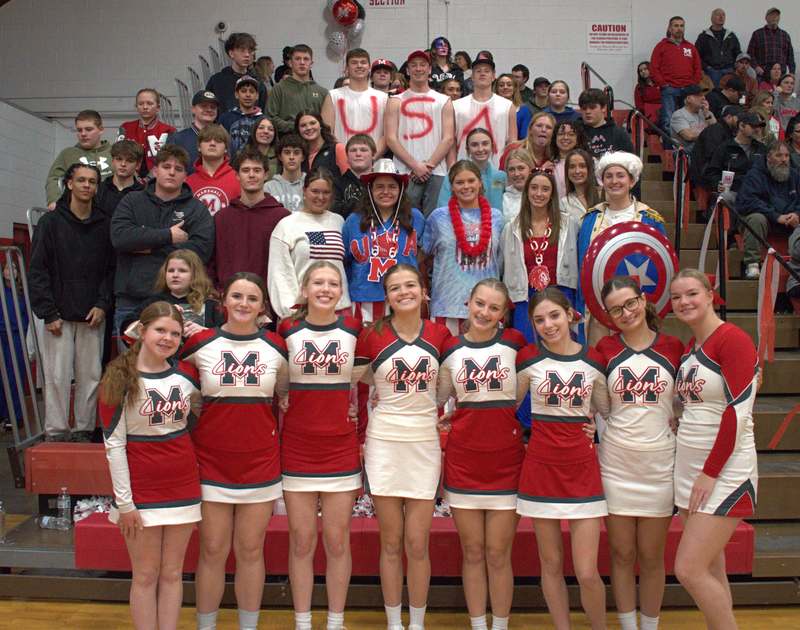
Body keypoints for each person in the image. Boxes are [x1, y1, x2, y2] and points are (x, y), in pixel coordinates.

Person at [181, 272, 288, 630]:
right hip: (212, 461)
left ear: (263, 308)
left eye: (252, 298)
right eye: (237, 296)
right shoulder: (199, 343)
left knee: (250, 550)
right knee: (212, 550)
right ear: (223, 301)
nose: (244, 304)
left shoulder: (276, 346)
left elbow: (286, 393)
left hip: (260, 460)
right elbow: (152, 352)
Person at [352, 263, 451, 630]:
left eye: (411, 285)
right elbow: (353, 381)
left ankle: (418, 623)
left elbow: (448, 386)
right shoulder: (371, 336)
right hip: (384, 444)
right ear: (387, 296)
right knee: (391, 541)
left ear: (424, 291)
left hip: (423, 443)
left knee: (417, 542)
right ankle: (395, 623)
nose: (404, 292)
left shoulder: (441, 336)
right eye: (395, 288)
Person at [99, 301, 202, 630]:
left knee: (173, 573)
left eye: (174, 333)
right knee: (145, 575)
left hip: (183, 486)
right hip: (141, 492)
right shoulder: (119, 378)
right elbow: (114, 446)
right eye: (160, 330)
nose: (167, 338)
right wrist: (125, 502)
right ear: (141, 332)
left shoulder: (187, 376)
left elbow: (195, 421)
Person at [515, 287, 610, 630]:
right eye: (539, 319)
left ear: (571, 315)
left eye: (554, 315)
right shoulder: (527, 359)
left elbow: (607, 410)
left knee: (586, 571)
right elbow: (503, 405)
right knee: (551, 565)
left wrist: (593, 431)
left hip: (582, 471)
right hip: (540, 468)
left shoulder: (594, 360)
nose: (548, 324)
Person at [670, 268, 758, 629]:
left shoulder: (732, 339)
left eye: (691, 293)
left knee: (688, 569)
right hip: (693, 469)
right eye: (676, 297)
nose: (684, 302)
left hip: (724, 471)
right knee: (709, 568)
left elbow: (737, 412)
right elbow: (695, 405)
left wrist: (710, 472)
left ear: (710, 295)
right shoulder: (693, 348)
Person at [596, 277, 685, 630]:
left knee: (650, 557)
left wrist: (680, 418)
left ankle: (649, 626)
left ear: (644, 300)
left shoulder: (674, 346)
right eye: (616, 309)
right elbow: (592, 398)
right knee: (622, 554)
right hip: (617, 463)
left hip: (659, 464)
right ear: (608, 315)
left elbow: (688, 398)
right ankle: (628, 624)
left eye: (630, 303)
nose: (626, 312)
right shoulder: (604, 350)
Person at [437, 279, 526, 630]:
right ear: (467, 302)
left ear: (504, 314)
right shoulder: (450, 349)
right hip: (464, 460)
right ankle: (477, 624)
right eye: (479, 303)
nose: (484, 312)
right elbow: (439, 396)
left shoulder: (517, 345)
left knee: (497, 553)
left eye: (493, 308)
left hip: (506, 460)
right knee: (473, 552)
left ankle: (500, 625)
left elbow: (541, 381)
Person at [277, 262, 362, 630]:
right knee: (301, 541)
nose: (325, 289)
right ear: (305, 288)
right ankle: (302, 620)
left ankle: (336, 620)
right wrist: (282, 395)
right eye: (318, 282)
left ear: (341, 290)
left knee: (337, 541)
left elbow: (368, 374)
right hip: (297, 446)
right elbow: (276, 378)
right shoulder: (287, 329)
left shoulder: (354, 329)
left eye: (333, 283)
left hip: (340, 446)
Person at [30, 163, 113, 442]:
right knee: (56, 378)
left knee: (90, 377)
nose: (87, 185)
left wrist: (102, 304)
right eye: (81, 180)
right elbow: (38, 269)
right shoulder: (50, 223)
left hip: (93, 315)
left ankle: (84, 429)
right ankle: (55, 431)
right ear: (69, 184)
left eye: (92, 181)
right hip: (58, 316)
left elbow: (110, 270)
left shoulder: (104, 222)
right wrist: (48, 312)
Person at [111, 145, 214, 341]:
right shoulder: (132, 201)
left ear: (186, 175)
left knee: (176, 365)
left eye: (179, 169)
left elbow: (200, 252)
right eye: (166, 166)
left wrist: (144, 243)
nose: (172, 172)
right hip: (132, 299)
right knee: (130, 367)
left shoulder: (197, 210)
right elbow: (120, 238)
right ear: (155, 170)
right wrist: (167, 236)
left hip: (179, 302)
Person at [577, 152, 666, 344]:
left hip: (636, 309)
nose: (614, 181)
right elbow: (582, 265)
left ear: (632, 181)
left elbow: (660, 267)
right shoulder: (590, 218)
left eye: (620, 175)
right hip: (598, 310)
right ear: (602, 181)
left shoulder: (650, 218)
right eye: (609, 176)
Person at [502, 167, 579, 348]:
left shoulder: (569, 224)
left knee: (563, 348)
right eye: (534, 188)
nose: (539, 193)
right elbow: (504, 268)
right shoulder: (511, 227)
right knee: (528, 350)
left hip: (561, 295)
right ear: (526, 191)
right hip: (524, 298)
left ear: (552, 194)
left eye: (545, 189)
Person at [424, 160, 504, 335]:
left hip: (487, 308)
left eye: (471, 181)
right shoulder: (438, 218)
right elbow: (423, 258)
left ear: (480, 182)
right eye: (459, 182)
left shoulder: (497, 218)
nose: (466, 186)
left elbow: (500, 261)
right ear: (451, 186)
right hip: (446, 306)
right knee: (448, 360)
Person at [342, 159, 425, 324]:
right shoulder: (353, 221)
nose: (386, 192)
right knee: (366, 347)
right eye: (379, 186)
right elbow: (345, 262)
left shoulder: (415, 218)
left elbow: (422, 256)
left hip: (405, 297)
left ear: (401, 190)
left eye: (392, 186)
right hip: (363, 300)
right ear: (370, 190)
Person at [268, 169, 350, 320]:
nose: (320, 197)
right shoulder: (287, 224)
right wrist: (290, 312)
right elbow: (279, 274)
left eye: (326, 192)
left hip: (339, 310)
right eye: (315, 191)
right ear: (304, 191)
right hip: (301, 313)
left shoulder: (339, 221)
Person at [385, 49, 455, 217]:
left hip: (437, 171)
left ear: (430, 69)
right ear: (408, 71)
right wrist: (416, 166)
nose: (418, 69)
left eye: (423, 65)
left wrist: (428, 166)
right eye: (414, 66)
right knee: (406, 220)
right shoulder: (395, 101)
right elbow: (391, 139)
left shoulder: (444, 100)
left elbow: (448, 138)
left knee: (436, 221)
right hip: (405, 171)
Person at [211, 147, 290, 293]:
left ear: (266, 175)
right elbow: (212, 263)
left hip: (268, 303)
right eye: (246, 170)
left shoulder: (282, 217)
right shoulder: (221, 218)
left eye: (257, 170)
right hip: (227, 302)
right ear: (237, 175)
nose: (251, 175)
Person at [125, 249, 224, 338]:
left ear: (195, 275)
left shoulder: (210, 304)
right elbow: (127, 329)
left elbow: (228, 336)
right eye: (171, 271)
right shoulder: (154, 302)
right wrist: (159, 316)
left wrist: (206, 333)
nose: (175, 275)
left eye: (182, 271)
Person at [737, 142, 800, 279]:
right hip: (765, 220)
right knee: (756, 218)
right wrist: (776, 216)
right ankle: (752, 264)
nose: (784, 159)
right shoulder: (754, 175)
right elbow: (748, 202)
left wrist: (796, 214)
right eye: (779, 155)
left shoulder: (795, 176)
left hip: (790, 221)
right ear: (768, 158)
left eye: (787, 156)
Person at [322, 49, 388, 156]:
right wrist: (343, 156)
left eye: (363, 62)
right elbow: (327, 133)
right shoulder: (333, 96)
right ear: (346, 68)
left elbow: (387, 135)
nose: (359, 66)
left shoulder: (383, 98)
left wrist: (373, 157)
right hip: (341, 161)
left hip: (374, 161)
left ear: (369, 67)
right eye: (354, 62)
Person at [452, 56, 516, 168]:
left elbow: (512, 143)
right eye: (478, 71)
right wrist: (452, 168)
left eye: (487, 71)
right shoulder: (456, 106)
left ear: (493, 76)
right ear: (472, 76)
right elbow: (451, 142)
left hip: (497, 169)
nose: (482, 74)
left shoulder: (507, 106)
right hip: (463, 169)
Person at [46, 110, 112, 208]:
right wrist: (53, 200)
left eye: (88, 129)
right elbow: (53, 178)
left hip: (109, 208)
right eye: (79, 130)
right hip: (76, 210)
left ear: (101, 129)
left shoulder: (114, 153)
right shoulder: (68, 154)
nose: (83, 134)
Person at [650, 16, 702, 139]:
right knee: (668, 121)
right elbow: (654, 68)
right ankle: (671, 152)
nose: (679, 28)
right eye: (676, 25)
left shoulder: (690, 47)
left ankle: (687, 149)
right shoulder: (661, 46)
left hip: (688, 90)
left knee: (691, 120)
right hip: (669, 89)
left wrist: (693, 86)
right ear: (669, 28)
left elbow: (698, 68)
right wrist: (663, 84)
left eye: (681, 26)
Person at [703, 111, 767, 208]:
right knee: (724, 197)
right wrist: (718, 183)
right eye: (754, 126)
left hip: (757, 194)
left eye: (760, 126)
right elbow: (712, 172)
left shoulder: (762, 148)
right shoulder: (725, 147)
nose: (758, 129)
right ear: (741, 126)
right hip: (733, 191)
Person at [438, 128, 507, 211]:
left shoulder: (500, 176)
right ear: (467, 149)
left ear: (492, 147)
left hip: (492, 222)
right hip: (458, 222)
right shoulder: (454, 173)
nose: (480, 149)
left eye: (485, 144)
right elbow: (443, 206)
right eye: (474, 145)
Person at [267, 44, 329, 135]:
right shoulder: (279, 88)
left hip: (314, 144)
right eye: (298, 59)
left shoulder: (323, 92)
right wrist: (296, 126)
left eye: (306, 59)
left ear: (311, 64)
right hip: (287, 142)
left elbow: (326, 123)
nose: (302, 62)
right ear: (290, 63)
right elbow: (270, 117)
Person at [117, 88, 176, 175]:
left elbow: (172, 160)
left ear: (158, 107)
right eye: (141, 104)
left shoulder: (168, 130)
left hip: (158, 178)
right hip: (129, 177)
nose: (145, 107)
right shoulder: (125, 127)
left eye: (150, 103)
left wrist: (150, 177)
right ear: (136, 106)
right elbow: (117, 155)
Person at [206, 32, 267, 113]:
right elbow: (208, 110)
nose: (247, 55)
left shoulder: (258, 82)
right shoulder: (216, 81)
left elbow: (262, 112)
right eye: (242, 50)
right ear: (231, 53)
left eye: (250, 51)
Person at [186, 125, 240, 216]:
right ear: (199, 147)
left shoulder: (239, 179)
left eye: (218, 141)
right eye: (207, 140)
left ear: (226, 148)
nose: (212, 143)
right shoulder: (187, 183)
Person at [166, 90, 220, 175]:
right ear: (193, 109)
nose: (209, 109)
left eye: (213, 107)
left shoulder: (224, 139)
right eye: (203, 106)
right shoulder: (177, 139)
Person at [689, 104, 741, 188]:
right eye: (738, 118)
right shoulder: (716, 130)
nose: (740, 122)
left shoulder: (725, 131)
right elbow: (712, 155)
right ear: (729, 117)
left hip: (712, 171)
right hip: (705, 174)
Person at [95, 139, 144, 218]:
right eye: (119, 159)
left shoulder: (143, 194)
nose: (123, 164)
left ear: (138, 165)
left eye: (129, 160)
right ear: (112, 161)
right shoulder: (98, 189)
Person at [579, 88, 634, 159]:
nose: (587, 112)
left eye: (592, 108)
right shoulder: (576, 132)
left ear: (604, 108)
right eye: (584, 108)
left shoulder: (619, 134)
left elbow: (630, 161)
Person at [695, 8, 742, 87]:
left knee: (732, 90)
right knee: (716, 92)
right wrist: (707, 67)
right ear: (712, 18)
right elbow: (697, 56)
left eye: (723, 15)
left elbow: (738, 53)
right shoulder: (704, 36)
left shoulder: (731, 35)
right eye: (718, 14)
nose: (721, 17)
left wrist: (735, 65)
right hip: (712, 71)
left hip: (729, 69)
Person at [218, 76, 263, 157]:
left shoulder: (264, 120)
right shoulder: (225, 119)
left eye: (252, 91)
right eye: (243, 91)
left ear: (257, 96)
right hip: (231, 167)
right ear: (236, 94)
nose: (248, 95)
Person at [333, 134, 376, 218]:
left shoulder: (382, 182)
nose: (358, 154)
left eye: (363, 150)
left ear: (373, 155)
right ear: (347, 157)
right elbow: (335, 211)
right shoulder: (336, 183)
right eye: (353, 150)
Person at [295, 111, 348, 176]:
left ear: (321, 125)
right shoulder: (297, 154)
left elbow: (350, 181)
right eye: (303, 125)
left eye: (312, 123)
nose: (308, 128)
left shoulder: (337, 149)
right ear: (298, 130)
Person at [747, 8, 795, 77]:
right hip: (762, 74)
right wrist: (756, 66)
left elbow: (790, 57)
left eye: (776, 16)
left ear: (779, 18)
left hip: (780, 75)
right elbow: (750, 53)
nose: (774, 18)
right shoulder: (757, 34)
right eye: (772, 15)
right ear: (766, 18)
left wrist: (792, 72)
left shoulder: (785, 35)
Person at [265, 134, 307, 213]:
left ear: (303, 157)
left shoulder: (310, 185)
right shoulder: (268, 187)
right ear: (280, 157)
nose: (291, 157)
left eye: (296, 152)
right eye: (287, 152)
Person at [670, 85, 716, 152]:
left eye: (703, 95)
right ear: (688, 99)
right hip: (686, 150)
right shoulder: (679, 115)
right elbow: (689, 136)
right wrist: (710, 136)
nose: (704, 98)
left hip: (704, 146)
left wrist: (706, 113)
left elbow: (716, 129)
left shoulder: (706, 112)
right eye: (699, 95)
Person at [560, 148, 600, 221]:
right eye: (572, 167)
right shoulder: (564, 203)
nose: (577, 171)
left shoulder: (603, 195)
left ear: (589, 169)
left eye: (582, 166)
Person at [551, 120, 586, 198]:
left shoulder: (589, 161)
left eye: (571, 134)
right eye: (561, 134)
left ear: (578, 139)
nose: (565, 137)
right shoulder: (549, 164)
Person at [495, 73, 531, 141]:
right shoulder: (490, 108)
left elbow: (525, 137)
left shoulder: (523, 110)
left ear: (514, 88)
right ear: (497, 89)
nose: (505, 87)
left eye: (509, 85)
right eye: (501, 85)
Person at [501, 149, 533, 224]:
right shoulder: (503, 199)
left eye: (521, 168)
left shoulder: (539, 196)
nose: (517, 174)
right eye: (511, 169)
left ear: (530, 169)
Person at [634, 62, 662, 131]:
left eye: (645, 69)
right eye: (640, 71)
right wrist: (649, 109)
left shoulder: (660, 82)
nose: (643, 71)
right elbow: (639, 105)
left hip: (663, 112)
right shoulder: (639, 87)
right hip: (648, 116)